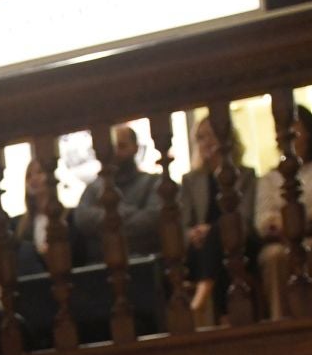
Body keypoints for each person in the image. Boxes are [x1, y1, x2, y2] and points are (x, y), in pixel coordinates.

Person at [253, 103, 312, 315]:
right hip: (280, 239)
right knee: (275, 257)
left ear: (309, 132)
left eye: (295, 131)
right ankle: (282, 321)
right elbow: (263, 217)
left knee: (309, 251)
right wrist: (283, 225)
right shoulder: (269, 178)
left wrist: (300, 223)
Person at [179, 110, 259, 324]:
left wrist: (212, 230)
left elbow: (246, 218)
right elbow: (184, 223)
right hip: (201, 248)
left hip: (239, 241)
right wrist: (193, 233)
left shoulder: (246, 175)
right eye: (201, 137)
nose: (207, 142)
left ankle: (202, 296)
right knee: (213, 245)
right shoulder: (190, 180)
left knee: (222, 234)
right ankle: (224, 316)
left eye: (211, 135)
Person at [70, 123, 162, 258]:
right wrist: (129, 211)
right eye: (112, 148)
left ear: (135, 148)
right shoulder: (94, 187)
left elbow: (151, 219)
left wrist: (107, 220)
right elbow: (82, 218)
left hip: (144, 260)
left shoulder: (152, 182)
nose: (116, 153)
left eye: (122, 146)